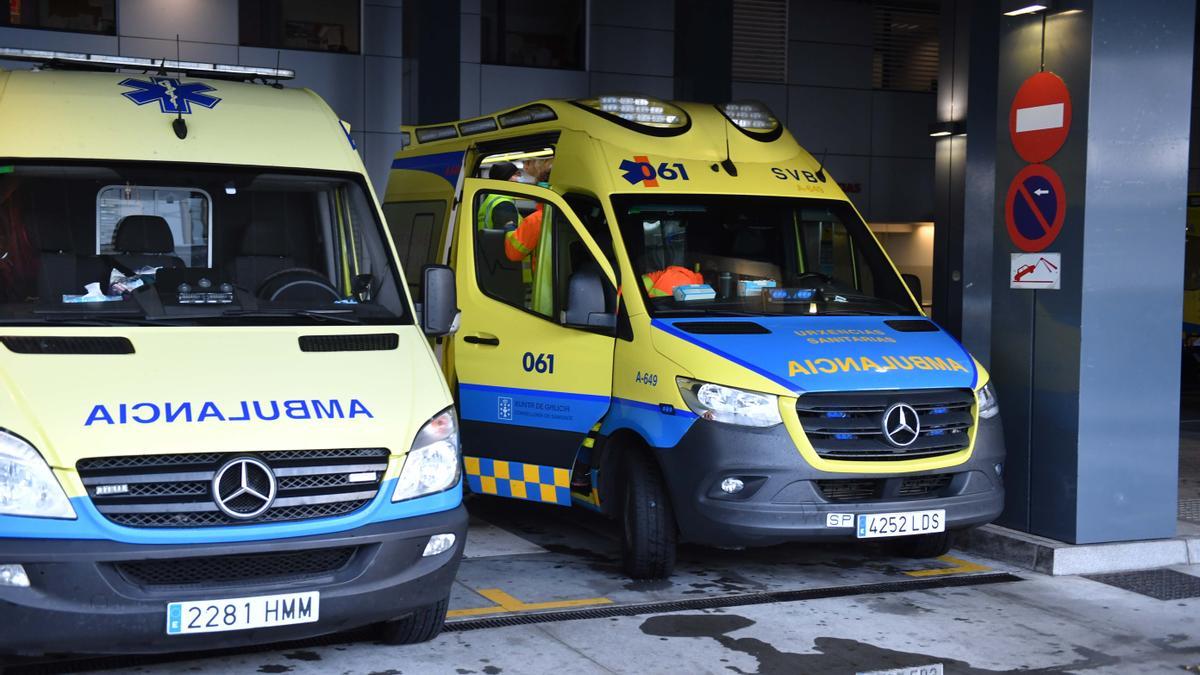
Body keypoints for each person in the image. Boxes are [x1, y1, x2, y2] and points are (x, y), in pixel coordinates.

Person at [503, 158, 553, 264]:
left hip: (544, 279)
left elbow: (514, 253)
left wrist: (510, 229)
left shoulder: (537, 220)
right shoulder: (579, 213)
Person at [477, 162, 521, 231]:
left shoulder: (489, 200)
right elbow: (507, 236)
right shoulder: (504, 205)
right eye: (515, 175)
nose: (518, 179)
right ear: (505, 177)